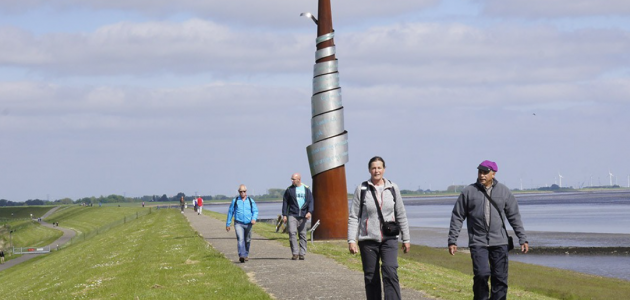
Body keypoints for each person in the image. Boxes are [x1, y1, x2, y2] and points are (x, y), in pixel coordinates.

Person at [448, 160, 529, 300]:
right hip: (478, 242)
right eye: (480, 172)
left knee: (500, 279)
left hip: (500, 242)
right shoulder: (468, 191)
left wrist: (522, 238)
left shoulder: (504, 191)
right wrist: (452, 240)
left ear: (493, 173)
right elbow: (457, 216)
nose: (482, 175)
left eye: (485, 172)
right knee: (481, 274)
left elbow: (514, 216)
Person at [348, 156, 410, 300]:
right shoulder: (362, 189)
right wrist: (351, 240)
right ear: (369, 170)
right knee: (371, 277)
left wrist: (406, 238)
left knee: (390, 272)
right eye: (374, 168)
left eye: (379, 168)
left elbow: (401, 214)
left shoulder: (393, 188)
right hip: (368, 240)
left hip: (389, 239)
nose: (376, 171)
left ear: (384, 169)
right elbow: (353, 216)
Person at [282, 173, 314, 260]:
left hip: (303, 215)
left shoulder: (306, 190)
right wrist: (284, 215)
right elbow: (285, 202)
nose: (292, 181)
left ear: (299, 179)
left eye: (293, 179)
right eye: (291, 179)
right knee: (292, 233)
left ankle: (302, 253)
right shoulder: (289, 190)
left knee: (303, 234)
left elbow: (310, 201)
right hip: (292, 214)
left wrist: (309, 212)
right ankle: (295, 253)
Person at [226, 184, 259, 263]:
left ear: (246, 191)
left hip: (248, 224)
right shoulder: (235, 201)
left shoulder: (251, 201)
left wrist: (254, 219)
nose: (242, 193)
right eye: (241, 191)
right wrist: (228, 224)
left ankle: (246, 254)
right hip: (238, 223)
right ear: (239, 192)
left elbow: (255, 211)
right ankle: (241, 255)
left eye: (244, 191)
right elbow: (230, 212)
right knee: (240, 239)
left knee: (247, 240)